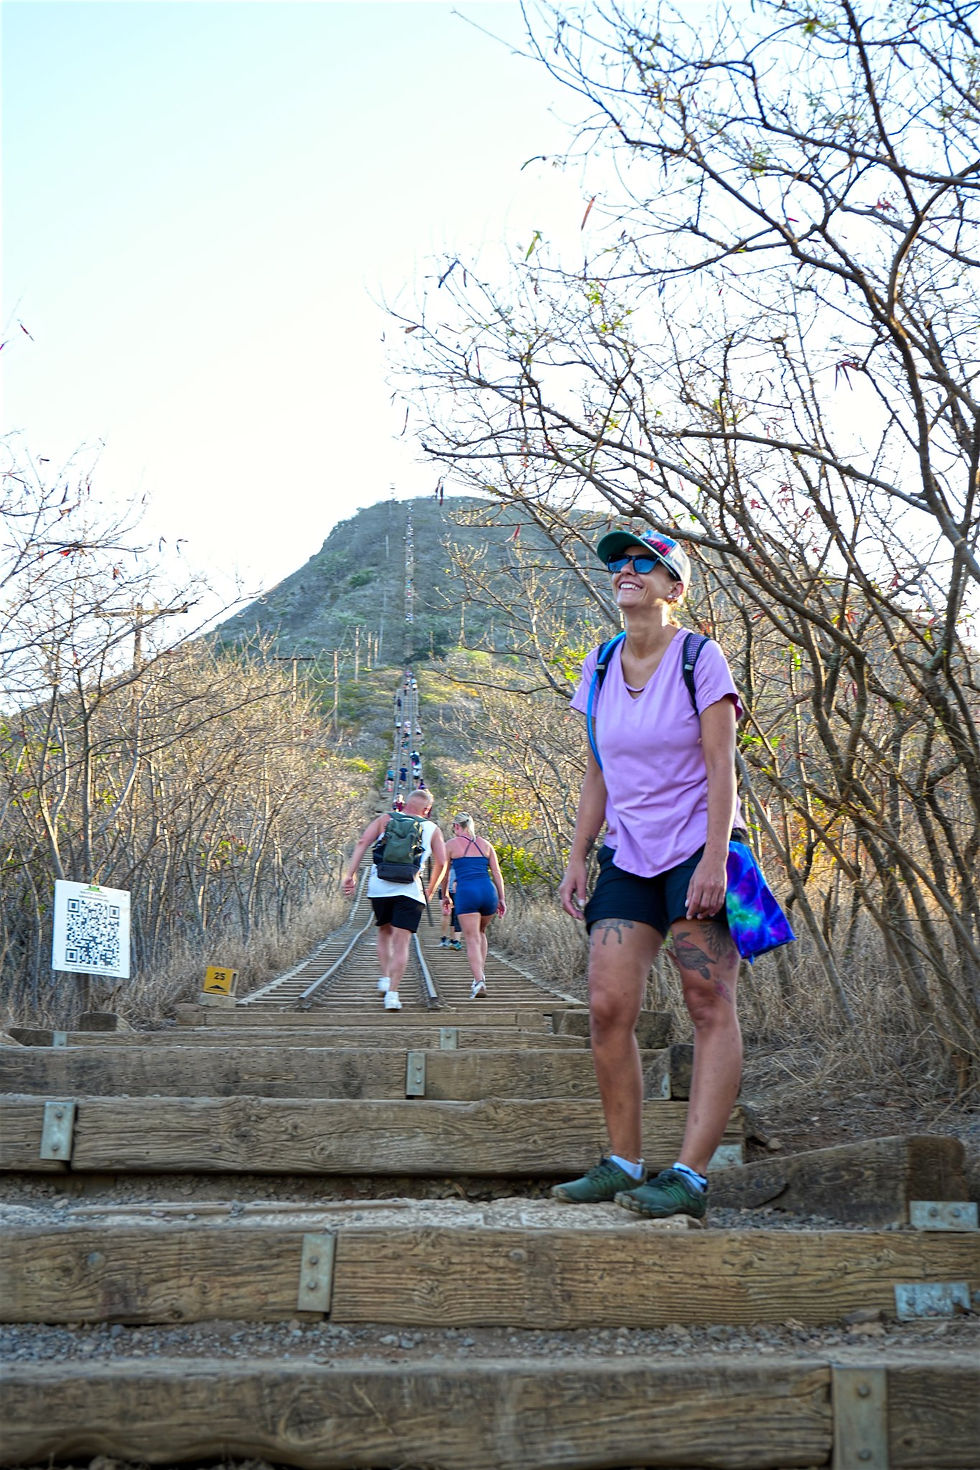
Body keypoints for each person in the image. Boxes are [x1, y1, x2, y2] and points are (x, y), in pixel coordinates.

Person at [555, 528, 743, 1221]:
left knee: (706, 1002)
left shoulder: (700, 656)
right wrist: (578, 854)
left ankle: (689, 1178)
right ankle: (624, 1162)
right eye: (618, 564)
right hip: (627, 856)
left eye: (644, 563)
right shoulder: (600, 663)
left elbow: (722, 766)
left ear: (674, 587)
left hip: (699, 847)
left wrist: (717, 859)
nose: (626, 571)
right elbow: (598, 768)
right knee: (607, 1005)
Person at [342, 789, 447, 1011]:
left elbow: (362, 842)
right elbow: (442, 862)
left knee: (384, 932)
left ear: (405, 804)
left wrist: (350, 875)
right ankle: (393, 994)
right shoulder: (432, 829)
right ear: (427, 809)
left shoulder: (385, 819)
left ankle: (385, 977)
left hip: (379, 887)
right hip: (410, 890)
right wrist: (431, 889)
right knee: (402, 942)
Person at [438, 814, 506, 999]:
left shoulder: (451, 845)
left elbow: (444, 874)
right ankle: (480, 975)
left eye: (454, 827)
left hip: (467, 892)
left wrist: (445, 895)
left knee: (472, 939)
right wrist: (502, 898)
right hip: (488, 891)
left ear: (456, 826)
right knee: (481, 933)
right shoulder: (486, 844)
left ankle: (479, 981)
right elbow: (497, 873)